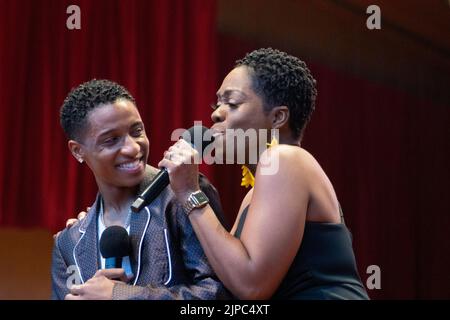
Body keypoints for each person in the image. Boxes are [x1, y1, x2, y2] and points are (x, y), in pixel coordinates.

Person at [159, 48, 369, 299]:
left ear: (278, 117)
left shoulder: (287, 159)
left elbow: (251, 286)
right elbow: (231, 283)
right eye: (217, 104)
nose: (215, 113)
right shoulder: (254, 195)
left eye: (232, 103)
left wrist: (189, 193)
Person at [52, 79, 230, 300]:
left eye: (137, 131)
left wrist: (122, 295)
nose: (133, 147)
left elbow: (219, 295)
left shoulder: (183, 194)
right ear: (78, 151)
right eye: (111, 140)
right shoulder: (67, 243)